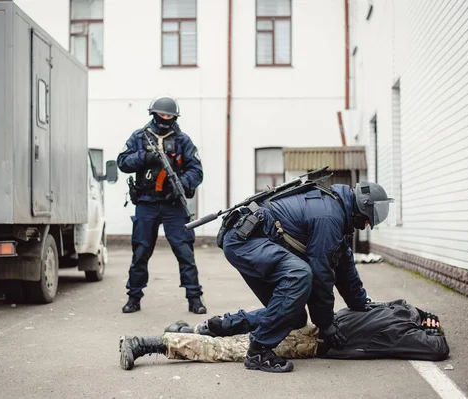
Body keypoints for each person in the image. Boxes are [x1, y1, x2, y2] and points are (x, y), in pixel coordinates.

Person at [213, 180, 393, 372]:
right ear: (361, 207)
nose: (365, 226)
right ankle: (259, 351)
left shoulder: (338, 210)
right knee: (299, 274)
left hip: (253, 239)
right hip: (245, 241)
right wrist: (326, 324)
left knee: (294, 316)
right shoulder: (329, 216)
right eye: (366, 220)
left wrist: (360, 302)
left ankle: (222, 326)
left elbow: (344, 263)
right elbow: (321, 274)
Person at [119, 299, 450, 370]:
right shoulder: (400, 329)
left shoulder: (395, 309)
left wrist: (423, 316)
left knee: (255, 321)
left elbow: (406, 306)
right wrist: (430, 328)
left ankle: (186, 330)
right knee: (232, 351)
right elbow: (437, 349)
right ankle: (146, 344)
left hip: (315, 321)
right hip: (312, 341)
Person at [117, 95, 206, 314]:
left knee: (184, 251)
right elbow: (123, 162)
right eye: (163, 115)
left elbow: (197, 171)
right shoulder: (139, 137)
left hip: (173, 205)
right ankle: (133, 297)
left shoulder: (182, 140)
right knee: (141, 251)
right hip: (146, 203)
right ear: (154, 114)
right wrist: (145, 157)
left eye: (170, 116)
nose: (166, 118)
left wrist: (178, 186)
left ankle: (194, 298)